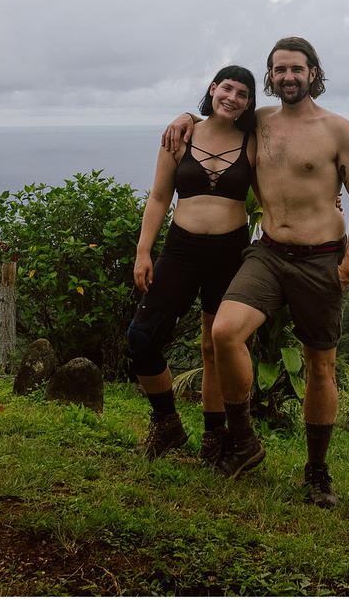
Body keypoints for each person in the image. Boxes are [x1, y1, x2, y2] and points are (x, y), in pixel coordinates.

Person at [162, 36, 349, 508]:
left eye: (297, 69)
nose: (288, 77)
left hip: (321, 258)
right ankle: (243, 441)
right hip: (269, 253)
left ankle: (316, 473)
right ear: (271, 76)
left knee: (321, 365)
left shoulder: (338, 130)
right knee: (224, 332)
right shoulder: (259, 122)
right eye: (280, 70)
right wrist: (185, 117)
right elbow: (216, 120)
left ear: (314, 72)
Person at [127, 65, 259, 465]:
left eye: (242, 94)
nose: (232, 98)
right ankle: (166, 421)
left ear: (249, 103)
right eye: (227, 88)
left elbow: (283, 185)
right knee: (142, 336)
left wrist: (331, 198)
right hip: (181, 250)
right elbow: (158, 198)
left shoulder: (253, 142)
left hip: (230, 253)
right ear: (213, 88)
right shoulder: (180, 137)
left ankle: (214, 436)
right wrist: (144, 252)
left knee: (215, 346)